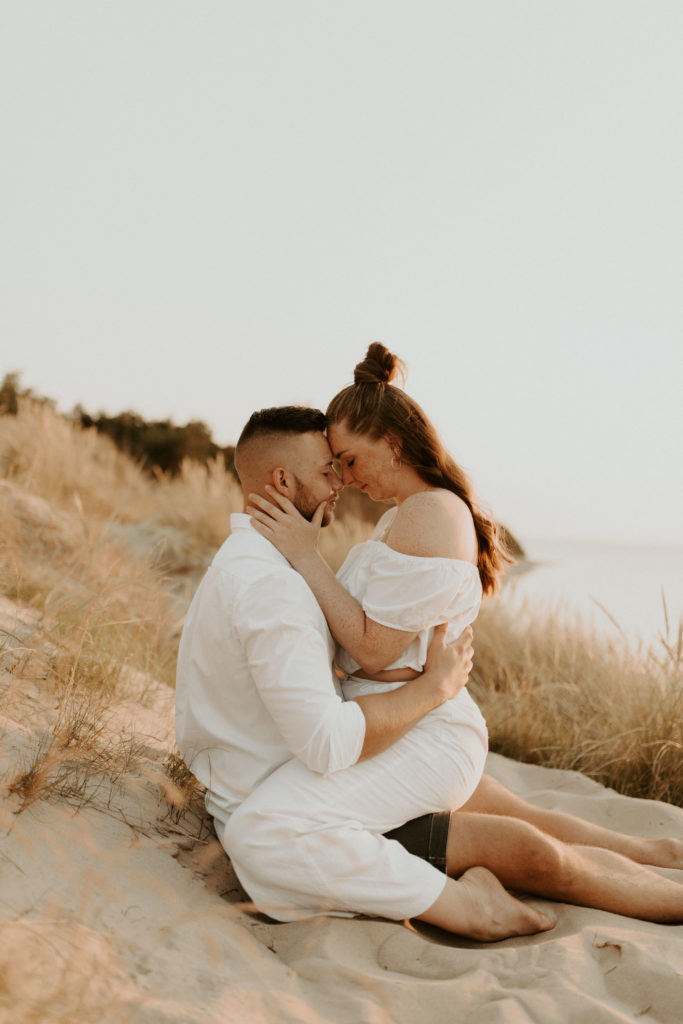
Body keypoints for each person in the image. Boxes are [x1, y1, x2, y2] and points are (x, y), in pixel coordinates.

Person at [221, 347, 683, 930]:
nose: (347, 478)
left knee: (534, 850)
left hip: (418, 733)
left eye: (350, 460)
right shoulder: (408, 514)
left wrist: (306, 557)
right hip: (406, 724)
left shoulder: (428, 515)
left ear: (392, 443)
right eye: (336, 465)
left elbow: (374, 648)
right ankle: (659, 853)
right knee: (531, 825)